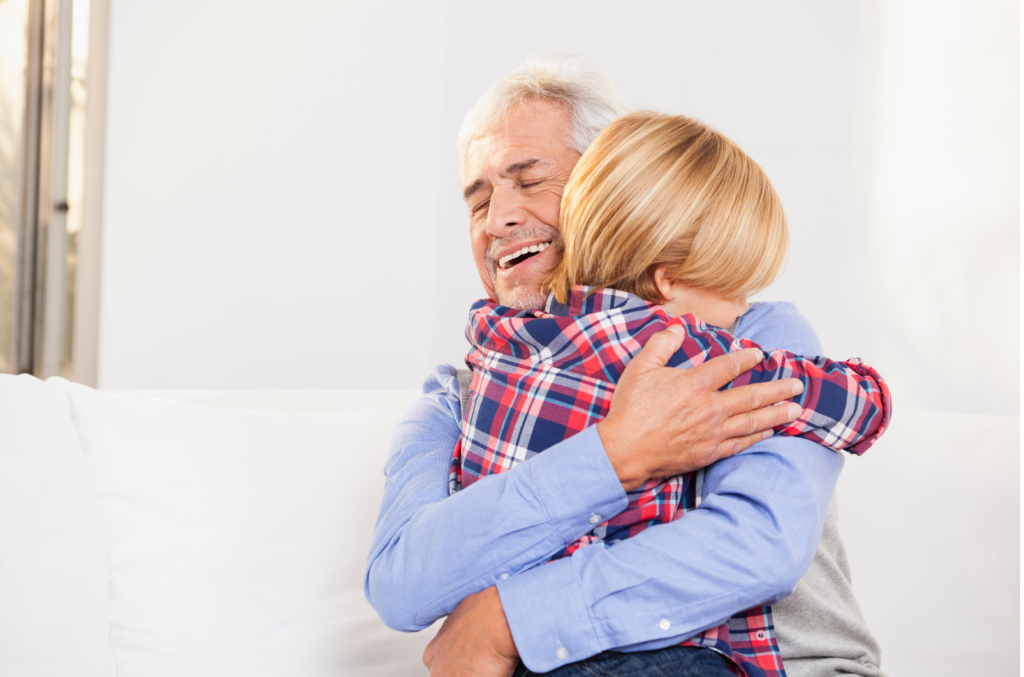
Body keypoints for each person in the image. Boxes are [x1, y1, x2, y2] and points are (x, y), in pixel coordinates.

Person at [365, 57, 885, 677]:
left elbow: (757, 544)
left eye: (529, 181)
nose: (497, 219)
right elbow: (402, 584)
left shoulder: (749, 334)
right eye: (478, 202)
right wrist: (618, 452)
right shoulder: (461, 393)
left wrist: (510, 619)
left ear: (610, 190)